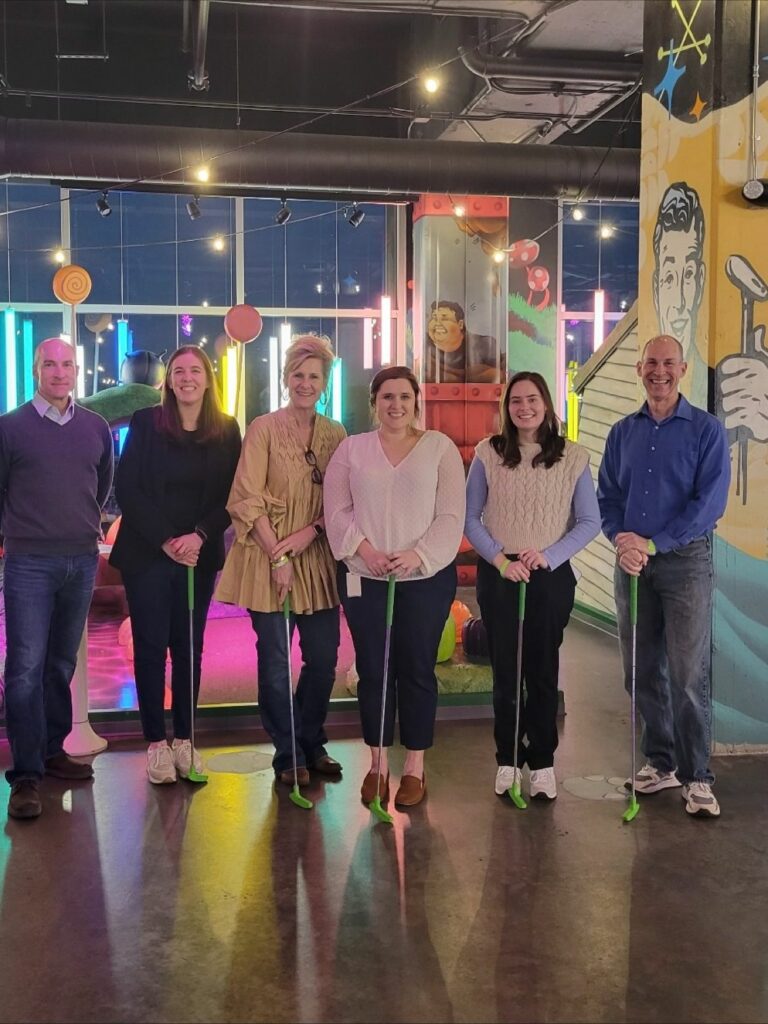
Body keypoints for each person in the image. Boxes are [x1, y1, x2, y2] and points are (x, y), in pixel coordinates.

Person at [597, 335, 730, 818]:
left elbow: (709, 504)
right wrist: (623, 540)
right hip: (633, 563)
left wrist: (654, 543)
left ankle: (698, 776)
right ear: (639, 369)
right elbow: (608, 496)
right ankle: (661, 762)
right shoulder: (622, 432)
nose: (660, 371)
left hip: (685, 563)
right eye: (651, 363)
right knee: (640, 669)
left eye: (668, 363)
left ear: (682, 369)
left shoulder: (706, 431)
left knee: (687, 673)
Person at [324, 365, 465, 808]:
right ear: (374, 403)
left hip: (424, 579)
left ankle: (414, 768)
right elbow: (337, 510)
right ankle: (378, 764)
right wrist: (364, 550)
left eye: (404, 396)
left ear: (416, 400)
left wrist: (418, 555)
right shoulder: (352, 449)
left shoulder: (438, 447)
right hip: (366, 577)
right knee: (374, 670)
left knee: (418, 670)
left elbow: (450, 515)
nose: (396, 405)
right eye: (387, 397)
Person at [216, 335, 346, 784]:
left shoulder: (337, 434)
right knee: (274, 660)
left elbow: (342, 500)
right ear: (286, 378)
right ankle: (287, 752)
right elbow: (245, 498)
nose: (305, 383)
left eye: (314, 376)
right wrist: (278, 555)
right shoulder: (263, 428)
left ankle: (310, 739)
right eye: (298, 375)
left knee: (324, 658)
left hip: (317, 559)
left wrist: (308, 535)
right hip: (267, 555)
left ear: (325, 382)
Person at [465, 371, 600, 801]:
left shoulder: (573, 457)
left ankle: (542, 762)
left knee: (542, 673)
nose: (524, 407)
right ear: (506, 407)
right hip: (501, 575)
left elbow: (590, 522)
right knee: (506, 673)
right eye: (515, 401)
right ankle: (507, 758)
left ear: (546, 404)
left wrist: (549, 556)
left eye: (533, 399)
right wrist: (501, 561)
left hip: (549, 577)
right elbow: (471, 518)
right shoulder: (489, 452)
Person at [110, 345, 241, 784]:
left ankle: (185, 739)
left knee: (189, 647)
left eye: (195, 370)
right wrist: (167, 539)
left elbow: (232, 497)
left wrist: (198, 536)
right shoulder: (148, 423)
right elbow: (127, 487)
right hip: (148, 551)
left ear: (208, 379)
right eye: (179, 371)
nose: (186, 377)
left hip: (197, 556)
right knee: (149, 648)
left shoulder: (226, 429)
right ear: (168, 380)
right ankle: (156, 745)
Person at [0, 338, 114, 819]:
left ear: (77, 370)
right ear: (35, 370)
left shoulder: (96, 427)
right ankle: (25, 776)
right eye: (50, 363)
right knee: (24, 667)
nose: (60, 372)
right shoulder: (10, 429)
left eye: (68, 363)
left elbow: (102, 485)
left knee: (61, 664)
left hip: (81, 560)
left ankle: (51, 752)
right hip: (28, 560)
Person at [652, 182, 707, 401]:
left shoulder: (707, 427)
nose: (680, 302)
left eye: (688, 276)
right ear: (655, 289)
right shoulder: (623, 429)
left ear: (700, 281)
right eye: (669, 278)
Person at [424, 299, 505, 384]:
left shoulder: (485, 344)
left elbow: (496, 376)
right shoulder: (424, 343)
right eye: (434, 318)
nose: (438, 323)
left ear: (460, 324)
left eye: (445, 318)